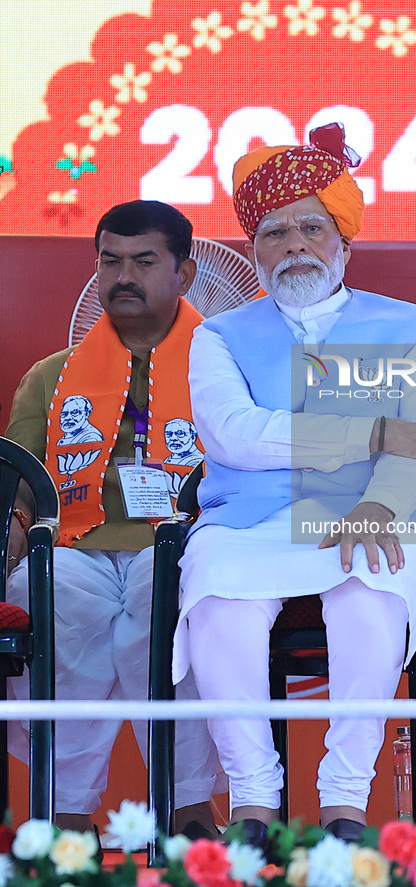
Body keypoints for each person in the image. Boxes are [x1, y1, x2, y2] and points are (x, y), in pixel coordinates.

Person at [172, 123, 416, 848]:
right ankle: (253, 801)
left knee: (368, 590)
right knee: (217, 597)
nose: (293, 245)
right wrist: (365, 433)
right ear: (251, 250)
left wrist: (377, 502)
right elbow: (233, 433)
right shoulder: (220, 335)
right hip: (248, 522)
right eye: (273, 233)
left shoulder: (406, 328)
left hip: (369, 511)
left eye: (311, 227)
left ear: (344, 242)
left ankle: (343, 804)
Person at [6, 200, 222, 839]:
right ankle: (65, 810)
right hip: (72, 545)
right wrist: (13, 539)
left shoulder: (225, 368)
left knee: (175, 609)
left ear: (183, 275)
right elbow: (18, 485)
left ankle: (187, 806)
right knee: (41, 597)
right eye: (110, 261)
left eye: (144, 261)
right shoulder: (51, 377)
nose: (123, 276)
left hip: (185, 540)